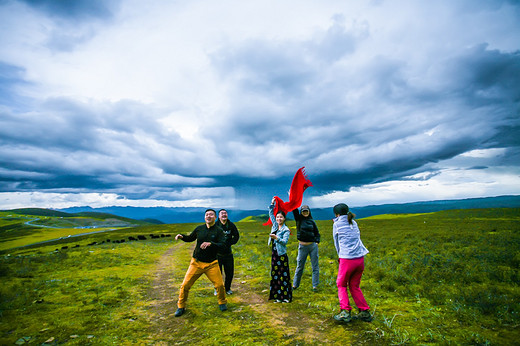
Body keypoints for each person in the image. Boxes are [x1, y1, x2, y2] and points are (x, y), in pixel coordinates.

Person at [173, 209, 228, 317]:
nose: (208, 216)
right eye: (206, 214)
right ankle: (180, 306)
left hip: (212, 263)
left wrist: (211, 244)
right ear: (204, 217)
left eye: (211, 214)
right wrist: (182, 236)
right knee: (185, 285)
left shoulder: (219, 231)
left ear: (215, 217)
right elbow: (190, 238)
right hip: (196, 263)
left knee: (220, 285)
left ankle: (222, 302)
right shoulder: (199, 229)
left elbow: (223, 245)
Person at [332, 203, 372, 323]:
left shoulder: (337, 224)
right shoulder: (354, 223)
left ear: (337, 214)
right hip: (360, 258)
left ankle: (345, 312)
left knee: (341, 284)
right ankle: (364, 311)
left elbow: (336, 243)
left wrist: (340, 256)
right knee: (354, 286)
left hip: (347, 259)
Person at [268, 197, 293, 303]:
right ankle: (277, 296)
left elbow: (284, 242)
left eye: (281, 217)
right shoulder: (275, 225)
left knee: (283, 275)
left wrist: (276, 238)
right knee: (275, 274)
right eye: (277, 217)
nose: (278, 219)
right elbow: (270, 214)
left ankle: (285, 297)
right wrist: (272, 204)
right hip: (274, 254)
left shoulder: (285, 230)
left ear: (284, 218)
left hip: (281, 255)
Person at [292, 205, 320, 291]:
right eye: (303, 211)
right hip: (302, 246)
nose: (305, 213)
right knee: (300, 266)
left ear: (309, 211)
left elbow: (317, 233)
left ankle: (315, 286)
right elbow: (294, 210)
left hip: (312, 246)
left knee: (315, 266)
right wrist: (293, 199)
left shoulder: (312, 221)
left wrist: (317, 241)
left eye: (306, 211)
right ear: (301, 212)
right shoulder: (299, 220)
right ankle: (295, 285)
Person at [216, 209, 240, 295]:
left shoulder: (231, 225)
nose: (224, 215)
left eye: (225, 213)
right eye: (222, 213)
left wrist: (230, 243)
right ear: (218, 216)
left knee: (229, 273)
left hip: (228, 254)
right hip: (217, 254)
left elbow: (236, 236)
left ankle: (227, 288)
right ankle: (217, 289)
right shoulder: (215, 225)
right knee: (217, 273)